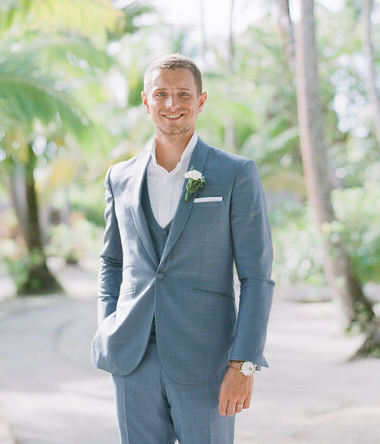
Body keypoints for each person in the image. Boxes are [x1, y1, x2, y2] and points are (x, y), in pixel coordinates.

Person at [91, 54, 274, 444]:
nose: (172, 104)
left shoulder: (235, 173)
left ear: (201, 101)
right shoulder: (119, 177)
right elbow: (111, 261)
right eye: (161, 94)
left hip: (207, 360)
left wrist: (244, 365)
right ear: (146, 101)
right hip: (133, 358)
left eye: (183, 94)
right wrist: (108, 325)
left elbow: (256, 277)